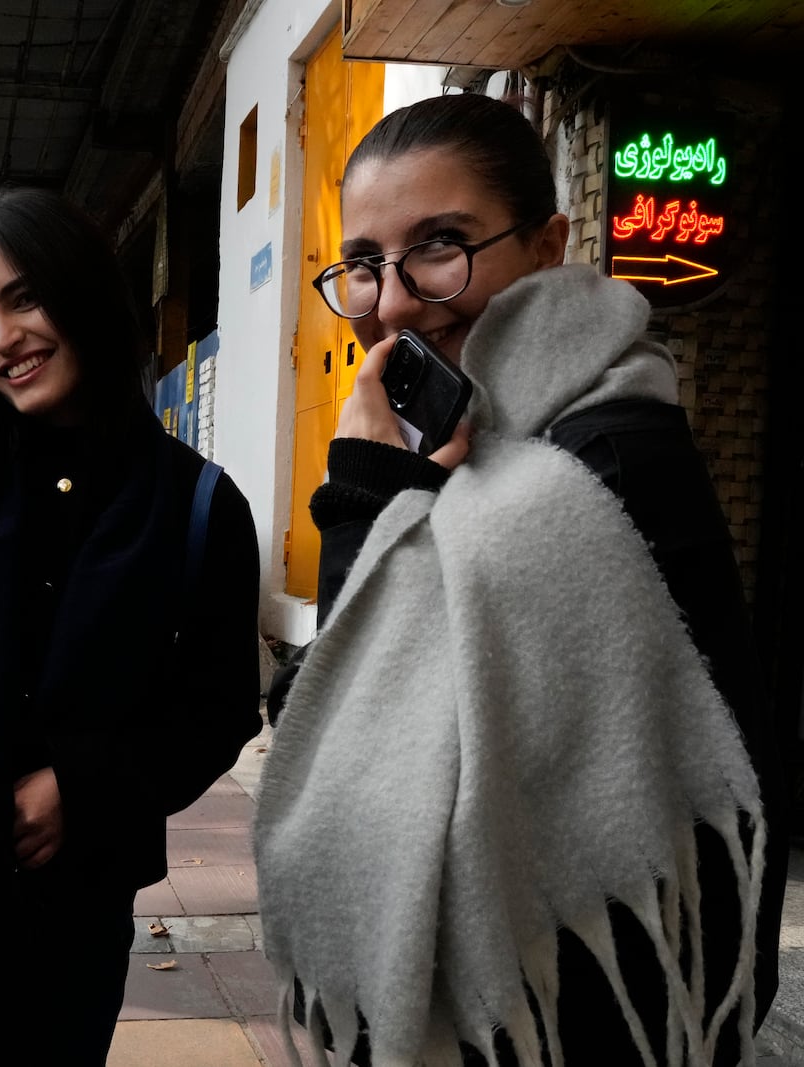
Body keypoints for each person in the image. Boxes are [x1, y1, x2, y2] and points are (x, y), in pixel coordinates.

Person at [255, 93, 785, 1067]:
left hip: (560, 1016)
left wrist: (365, 488)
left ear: (547, 244)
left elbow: (338, 734)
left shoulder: (587, 473)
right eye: (365, 262)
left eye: (441, 243)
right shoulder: (497, 450)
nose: (396, 298)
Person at [0, 188, 264, 1063]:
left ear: (85, 292)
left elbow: (218, 711)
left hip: (73, 915)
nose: (4, 340)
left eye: (24, 298)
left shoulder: (199, 504)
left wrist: (82, 784)